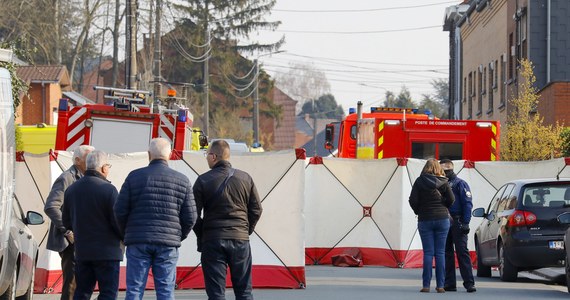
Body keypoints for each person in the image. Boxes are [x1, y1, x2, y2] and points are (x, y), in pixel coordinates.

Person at [114, 138, 197, 300]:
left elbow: (119, 211)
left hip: (137, 241)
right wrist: (177, 235)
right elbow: (191, 216)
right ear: (170, 154)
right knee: (166, 291)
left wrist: (127, 234)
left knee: (134, 290)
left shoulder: (134, 177)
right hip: (168, 244)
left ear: (148, 154)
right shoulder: (182, 180)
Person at [193, 140, 263, 300]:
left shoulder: (203, 181)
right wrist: (245, 230)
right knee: (244, 292)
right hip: (240, 240)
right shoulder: (245, 178)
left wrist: (204, 233)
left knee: (216, 294)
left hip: (213, 241)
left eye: (207, 154)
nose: (206, 158)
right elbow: (256, 210)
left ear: (214, 156)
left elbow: (192, 215)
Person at [62, 150, 122, 300]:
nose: (108, 169)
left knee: (81, 292)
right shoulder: (109, 190)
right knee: (108, 293)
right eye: (108, 165)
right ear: (102, 168)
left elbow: (66, 222)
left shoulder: (71, 190)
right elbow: (117, 222)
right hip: (108, 253)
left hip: (82, 251)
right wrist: (124, 238)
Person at [44, 145, 94, 299]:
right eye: (89, 158)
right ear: (78, 160)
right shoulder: (67, 178)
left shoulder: (87, 177)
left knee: (81, 282)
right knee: (72, 285)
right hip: (71, 241)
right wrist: (67, 230)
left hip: (83, 239)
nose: (93, 162)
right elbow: (51, 206)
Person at [408, 158, 455, 293]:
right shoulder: (444, 182)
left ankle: (426, 285)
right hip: (442, 219)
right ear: (439, 168)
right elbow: (451, 199)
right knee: (440, 253)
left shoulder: (419, 181)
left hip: (425, 219)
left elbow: (413, 200)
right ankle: (440, 286)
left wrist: (419, 210)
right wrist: (443, 206)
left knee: (428, 253)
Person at [439, 159, 476, 293]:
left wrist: (466, 222)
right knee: (447, 252)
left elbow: (467, 203)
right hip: (444, 220)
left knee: (462, 252)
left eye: (444, 170)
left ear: (450, 170)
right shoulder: (441, 184)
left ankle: (469, 283)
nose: (443, 173)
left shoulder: (460, 184)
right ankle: (450, 283)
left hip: (457, 220)